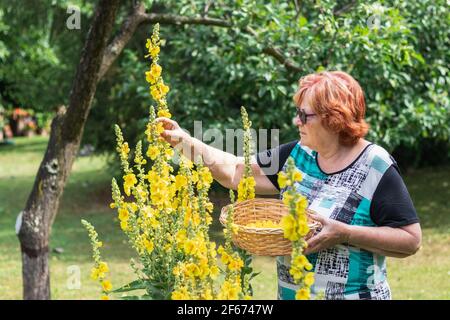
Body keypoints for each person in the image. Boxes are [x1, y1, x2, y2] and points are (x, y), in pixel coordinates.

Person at [156, 71, 422, 300]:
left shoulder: (375, 165)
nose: (297, 121)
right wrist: (185, 142)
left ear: (333, 119)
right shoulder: (296, 155)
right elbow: (236, 172)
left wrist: (345, 233)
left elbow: (410, 240)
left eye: (304, 115)